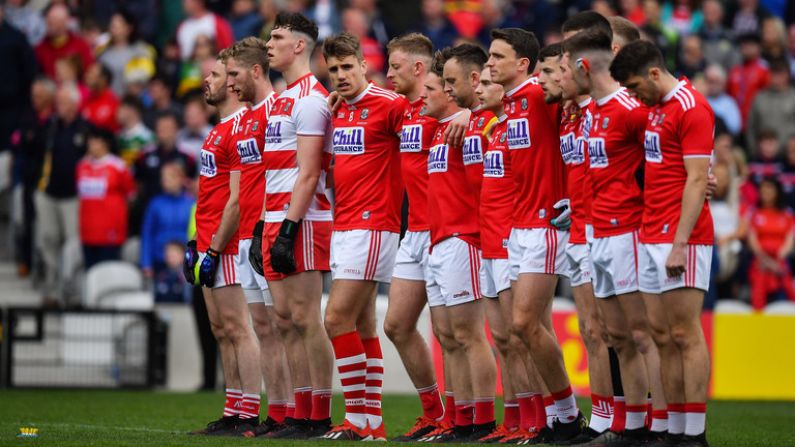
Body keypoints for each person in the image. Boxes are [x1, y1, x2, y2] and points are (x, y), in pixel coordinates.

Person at [563, 29, 667, 444]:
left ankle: (662, 427)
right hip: (597, 233)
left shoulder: (630, 108)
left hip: (628, 233)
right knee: (616, 336)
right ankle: (632, 425)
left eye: (570, 66)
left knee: (643, 335)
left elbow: (665, 154)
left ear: (585, 66)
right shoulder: (591, 113)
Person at [611, 38, 716, 447]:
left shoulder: (692, 107)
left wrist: (680, 242)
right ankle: (672, 429)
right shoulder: (655, 109)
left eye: (636, 86)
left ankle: (695, 433)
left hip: (681, 237)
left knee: (685, 334)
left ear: (655, 73)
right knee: (659, 334)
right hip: (649, 232)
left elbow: (695, 178)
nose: (634, 95)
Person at [486, 27, 585, 443]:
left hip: (546, 226)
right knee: (527, 329)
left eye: (496, 57)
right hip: (518, 228)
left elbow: (580, 96)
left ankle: (568, 413)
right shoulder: (509, 107)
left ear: (522, 64)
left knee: (524, 323)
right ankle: (552, 418)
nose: (489, 64)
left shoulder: (540, 96)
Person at [443, 42, 540, 444]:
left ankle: (540, 419)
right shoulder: (487, 129)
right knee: (504, 338)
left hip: (512, 240)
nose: (481, 89)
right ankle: (517, 420)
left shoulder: (516, 122)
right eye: (478, 82)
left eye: (487, 82)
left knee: (522, 336)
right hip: (488, 243)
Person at [314, 32, 405, 441]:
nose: (340, 75)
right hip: (345, 223)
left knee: (334, 319)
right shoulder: (339, 111)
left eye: (347, 66)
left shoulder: (390, 105)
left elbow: (427, 120)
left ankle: (355, 419)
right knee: (363, 326)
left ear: (364, 65)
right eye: (333, 69)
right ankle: (374, 425)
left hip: (373, 225)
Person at [260, 12, 335, 438]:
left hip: (302, 220)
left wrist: (288, 227)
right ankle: (299, 412)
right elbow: (275, 170)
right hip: (274, 217)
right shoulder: (281, 98)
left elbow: (308, 174)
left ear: (300, 46)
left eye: (278, 37)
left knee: (307, 318)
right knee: (285, 320)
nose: (269, 44)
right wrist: (261, 227)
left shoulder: (311, 98)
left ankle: (318, 414)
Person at [419, 51, 498, 443]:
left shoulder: (472, 124)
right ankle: (461, 418)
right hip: (439, 240)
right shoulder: (440, 129)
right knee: (448, 335)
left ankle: (481, 419)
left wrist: (475, 112)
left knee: (470, 335)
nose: (432, 94)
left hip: (464, 238)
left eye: (439, 87)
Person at [184, 49, 261, 436]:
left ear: (231, 83)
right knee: (219, 328)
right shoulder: (216, 130)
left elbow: (236, 198)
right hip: (208, 239)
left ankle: (248, 413)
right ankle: (232, 409)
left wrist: (214, 247)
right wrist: (196, 242)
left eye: (214, 75)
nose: (207, 81)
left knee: (237, 327)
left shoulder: (240, 126)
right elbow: (209, 194)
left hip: (227, 244)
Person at [542, 37, 614, 445]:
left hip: (601, 230)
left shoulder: (602, 111)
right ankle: (609, 415)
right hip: (577, 229)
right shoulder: (569, 113)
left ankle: (611, 419)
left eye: (557, 71)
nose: (553, 79)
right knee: (594, 330)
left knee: (601, 330)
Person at [224, 36, 295, 438]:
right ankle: (278, 412)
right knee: (264, 328)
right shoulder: (246, 119)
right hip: (248, 237)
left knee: (282, 325)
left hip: (268, 230)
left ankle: (292, 412)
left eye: (234, 74)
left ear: (255, 71)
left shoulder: (277, 112)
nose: (229, 83)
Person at [379, 33, 447, 442]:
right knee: (398, 324)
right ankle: (434, 411)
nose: (388, 74)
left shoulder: (446, 108)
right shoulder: (400, 111)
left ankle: (466, 417)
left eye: (396, 66)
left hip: (447, 232)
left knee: (452, 331)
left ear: (419, 69)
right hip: (414, 232)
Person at [37, 83, 92, 307]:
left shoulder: (85, 128)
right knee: (48, 241)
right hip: (48, 193)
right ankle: (51, 291)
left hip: (73, 196)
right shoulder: (51, 125)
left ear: (75, 104)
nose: (58, 106)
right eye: (57, 102)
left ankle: (71, 293)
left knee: (72, 245)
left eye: (63, 102)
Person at [76, 128, 135, 269]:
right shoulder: (82, 165)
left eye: (96, 141)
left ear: (105, 144)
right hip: (88, 231)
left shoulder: (118, 166)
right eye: (90, 142)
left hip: (110, 233)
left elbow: (131, 195)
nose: (91, 145)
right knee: (90, 272)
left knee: (109, 271)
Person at [746, 177, 795, 311]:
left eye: (769, 189)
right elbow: (753, 241)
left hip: (780, 261)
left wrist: (777, 261)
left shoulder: (787, 213)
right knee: (760, 275)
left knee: (784, 277)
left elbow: (789, 241)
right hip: (761, 261)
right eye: (763, 189)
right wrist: (767, 261)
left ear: (777, 192)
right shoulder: (755, 213)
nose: (765, 192)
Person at [140, 162, 194, 279]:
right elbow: (147, 235)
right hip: (159, 261)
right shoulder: (155, 203)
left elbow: (195, 234)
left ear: (181, 178)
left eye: (169, 177)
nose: (164, 181)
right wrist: (146, 263)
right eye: (163, 177)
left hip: (185, 261)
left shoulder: (191, 203)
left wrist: (188, 256)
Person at [97, 10, 156, 96]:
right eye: (112, 25)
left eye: (118, 25)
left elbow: (147, 78)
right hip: (109, 101)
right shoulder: (103, 52)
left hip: (133, 102)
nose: (113, 28)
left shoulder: (141, 51)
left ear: (129, 28)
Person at [746, 59, 795, 154]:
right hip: (761, 155)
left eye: (780, 73)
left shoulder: (794, 97)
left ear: (788, 75)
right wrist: (753, 150)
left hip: (788, 158)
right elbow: (751, 127)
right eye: (774, 73)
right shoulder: (759, 97)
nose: (777, 77)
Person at [34, 4, 93, 79]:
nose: (49, 25)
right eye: (48, 21)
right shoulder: (40, 48)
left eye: (54, 21)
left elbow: (88, 73)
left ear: (65, 22)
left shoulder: (80, 46)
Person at [727, 33, 771, 130]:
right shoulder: (735, 70)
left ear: (759, 48)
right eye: (743, 44)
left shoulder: (764, 70)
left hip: (755, 122)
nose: (745, 47)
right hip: (735, 121)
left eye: (750, 44)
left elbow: (768, 97)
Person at [117, 94, 155, 167]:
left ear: (131, 110)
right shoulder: (119, 136)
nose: (117, 112)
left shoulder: (147, 137)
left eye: (120, 108)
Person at [82, 63, 120, 133]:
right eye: (88, 72)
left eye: (92, 73)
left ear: (103, 80)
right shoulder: (85, 100)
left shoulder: (114, 102)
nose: (87, 75)